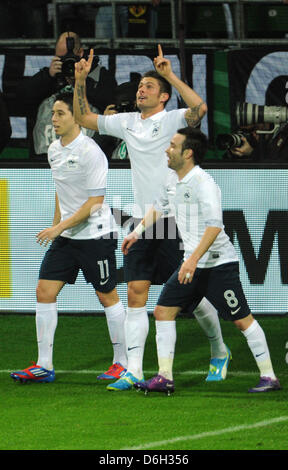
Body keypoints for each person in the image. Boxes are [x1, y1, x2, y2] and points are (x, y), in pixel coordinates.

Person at [73, 45, 231, 392]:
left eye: (148, 86)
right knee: (135, 292)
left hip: (176, 220)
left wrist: (170, 74)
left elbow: (199, 109)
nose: (140, 90)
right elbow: (85, 119)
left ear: (163, 98)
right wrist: (80, 82)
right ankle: (133, 370)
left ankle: (219, 350)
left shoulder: (172, 119)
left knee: (191, 297)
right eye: (140, 85)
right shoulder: (127, 122)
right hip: (143, 222)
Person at [124, 127, 281, 395]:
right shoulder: (171, 179)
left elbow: (214, 227)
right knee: (163, 311)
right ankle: (164, 377)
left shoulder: (204, 183)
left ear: (188, 153)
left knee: (241, 319)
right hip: (192, 263)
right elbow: (159, 208)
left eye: (173, 145)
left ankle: (269, 377)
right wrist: (137, 233)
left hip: (218, 265)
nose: (167, 149)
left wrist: (192, 260)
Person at [10, 92, 127, 384]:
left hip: (96, 235)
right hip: (66, 235)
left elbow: (95, 203)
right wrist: (56, 225)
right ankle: (44, 366)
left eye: (60, 113)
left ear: (75, 117)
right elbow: (61, 192)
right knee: (44, 292)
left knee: (106, 295)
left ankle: (122, 363)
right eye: (53, 114)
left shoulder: (90, 152)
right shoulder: (53, 149)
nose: (54, 119)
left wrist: (58, 228)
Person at [15, 31, 117, 158]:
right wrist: (47, 76)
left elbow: (109, 103)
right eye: (60, 57)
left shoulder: (99, 75)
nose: (65, 62)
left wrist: (80, 82)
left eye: (69, 58)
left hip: (89, 155)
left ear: (80, 53)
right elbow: (21, 99)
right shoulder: (50, 76)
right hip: (45, 155)